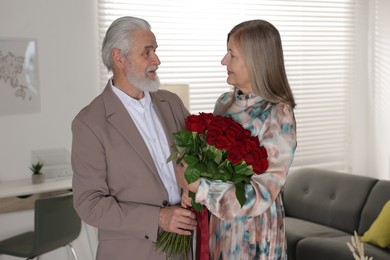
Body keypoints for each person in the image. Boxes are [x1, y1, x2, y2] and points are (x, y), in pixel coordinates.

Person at [71, 16, 197, 260]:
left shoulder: (171, 103)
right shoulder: (89, 123)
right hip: (130, 252)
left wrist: (192, 187)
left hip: (183, 249)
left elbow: (194, 158)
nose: (156, 61)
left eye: (155, 51)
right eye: (147, 53)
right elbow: (89, 204)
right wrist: (158, 218)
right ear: (119, 58)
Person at [179, 20, 297, 259]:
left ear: (256, 61)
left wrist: (200, 188)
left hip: (252, 233)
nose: (224, 61)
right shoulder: (224, 102)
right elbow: (214, 167)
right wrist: (192, 192)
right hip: (220, 225)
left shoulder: (278, 114)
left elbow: (261, 194)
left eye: (232, 55)